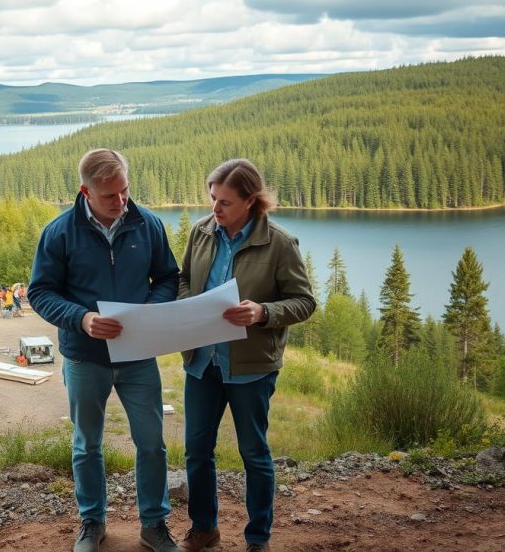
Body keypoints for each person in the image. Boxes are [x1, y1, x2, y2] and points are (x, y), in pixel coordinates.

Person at [28, 148, 181, 552]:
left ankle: (154, 525)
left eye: (126, 191)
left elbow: (167, 276)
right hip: (84, 356)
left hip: (138, 355)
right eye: (110, 196)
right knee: (87, 444)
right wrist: (82, 319)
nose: (121, 202)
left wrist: (149, 311)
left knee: (151, 443)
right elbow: (40, 292)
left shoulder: (147, 224)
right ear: (85, 192)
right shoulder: (59, 232)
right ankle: (91, 524)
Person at [176, 159, 316, 552]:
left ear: (251, 202)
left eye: (224, 202)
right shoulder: (201, 232)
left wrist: (262, 313)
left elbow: (304, 302)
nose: (214, 209)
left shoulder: (281, 244)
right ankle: (204, 530)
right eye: (212, 199)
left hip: (251, 368)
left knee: (254, 454)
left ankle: (258, 539)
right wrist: (191, 306)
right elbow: (184, 278)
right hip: (202, 363)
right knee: (196, 452)